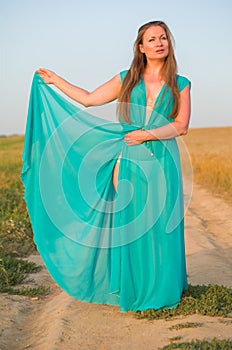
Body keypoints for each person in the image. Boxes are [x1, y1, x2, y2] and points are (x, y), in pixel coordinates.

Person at [23, 20, 191, 313]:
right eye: (151, 39)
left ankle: (164, 289)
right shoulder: (126, 79)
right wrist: (56, 81)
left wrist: (148, 134)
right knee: (136, 226)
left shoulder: (181, 83)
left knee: (162, 224)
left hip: (164, 161)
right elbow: (88, 99)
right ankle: (137, 289)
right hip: (130, 161)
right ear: (141, 47)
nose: (159, 43)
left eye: (163, 37)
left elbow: (181, 126)